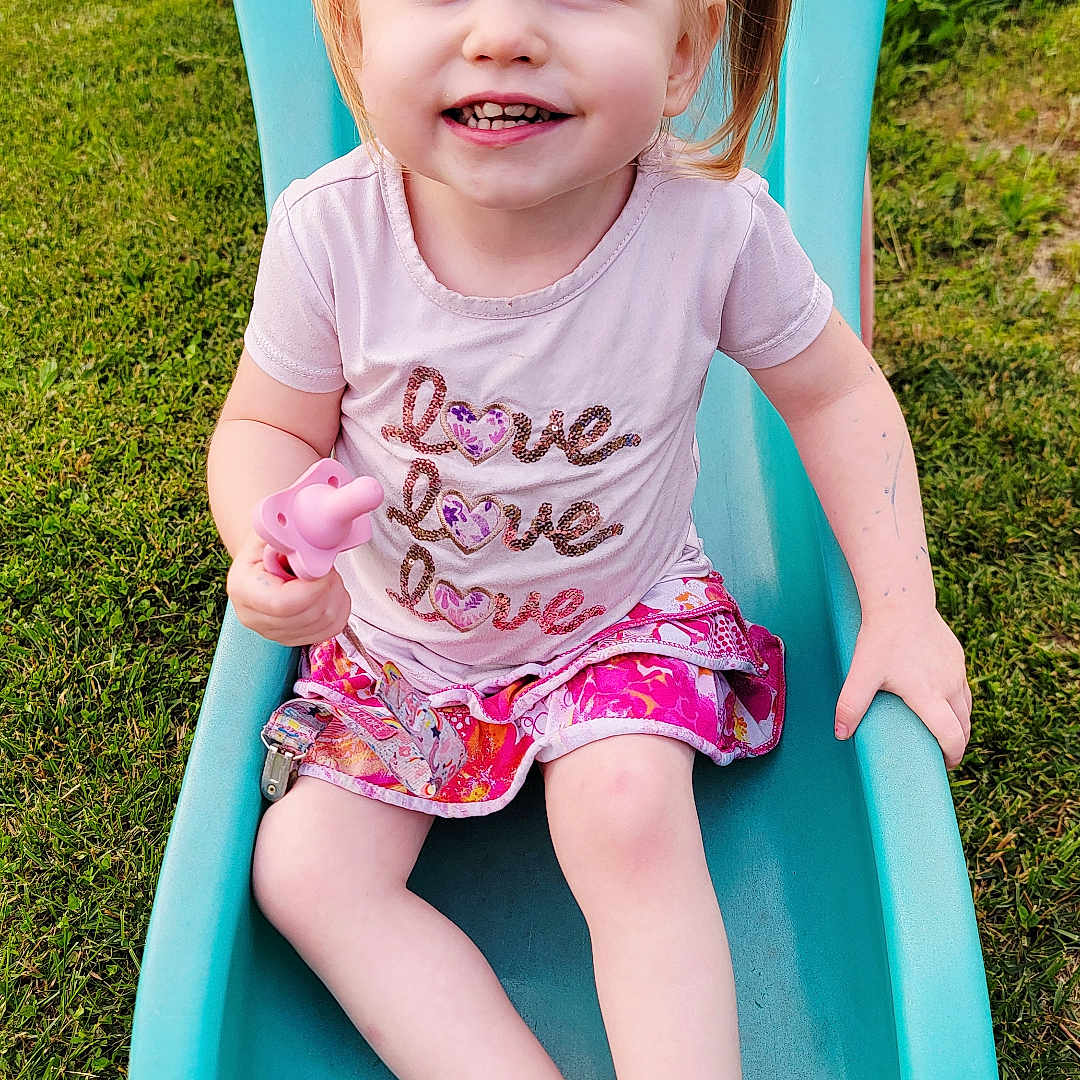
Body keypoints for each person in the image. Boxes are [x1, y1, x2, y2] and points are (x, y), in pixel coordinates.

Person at [206, 0, 973, 1076]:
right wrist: (268, 540)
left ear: (684, 55)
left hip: (614, 627)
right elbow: (268, 427)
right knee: (304, 874)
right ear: (353, 31)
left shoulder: (710, 227)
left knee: (624, 814)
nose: (503, 34)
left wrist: (900, 602)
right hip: (399, 651)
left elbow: (837, 395)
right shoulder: (332, 234)